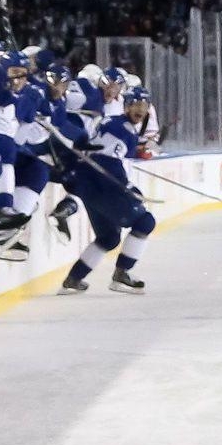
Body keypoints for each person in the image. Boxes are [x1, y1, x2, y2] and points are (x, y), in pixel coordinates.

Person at [57, 86, 158, 295]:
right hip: (101, 186)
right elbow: (107, 163)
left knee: (109, 237)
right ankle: (122, 275)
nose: (140, 109)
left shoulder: (116, 123)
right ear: (126, 105)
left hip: (88, 185)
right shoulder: (123, 129)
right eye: (135, 104)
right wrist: (128, 187)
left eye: (144, 105)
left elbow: (107, 155)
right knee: (145, 222)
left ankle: (74, 279)